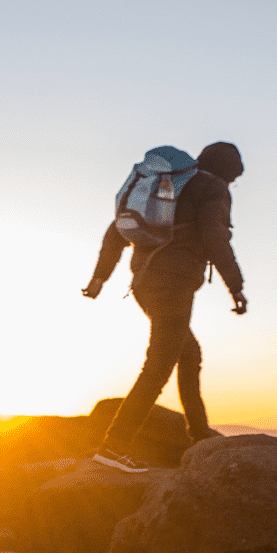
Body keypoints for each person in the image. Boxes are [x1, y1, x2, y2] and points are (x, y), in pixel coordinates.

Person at [81, 142, 247, 473]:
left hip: (144, 283)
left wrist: (99, 278)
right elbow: (215, 236)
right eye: (233, 177)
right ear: (227, 171)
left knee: (189, 354)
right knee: (158, 365)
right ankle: (114, 447)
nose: (232, 183)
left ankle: (199, 436)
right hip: (174, 283)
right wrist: (236, 286)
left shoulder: (167, 186)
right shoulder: (212, 187)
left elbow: (117, 230)